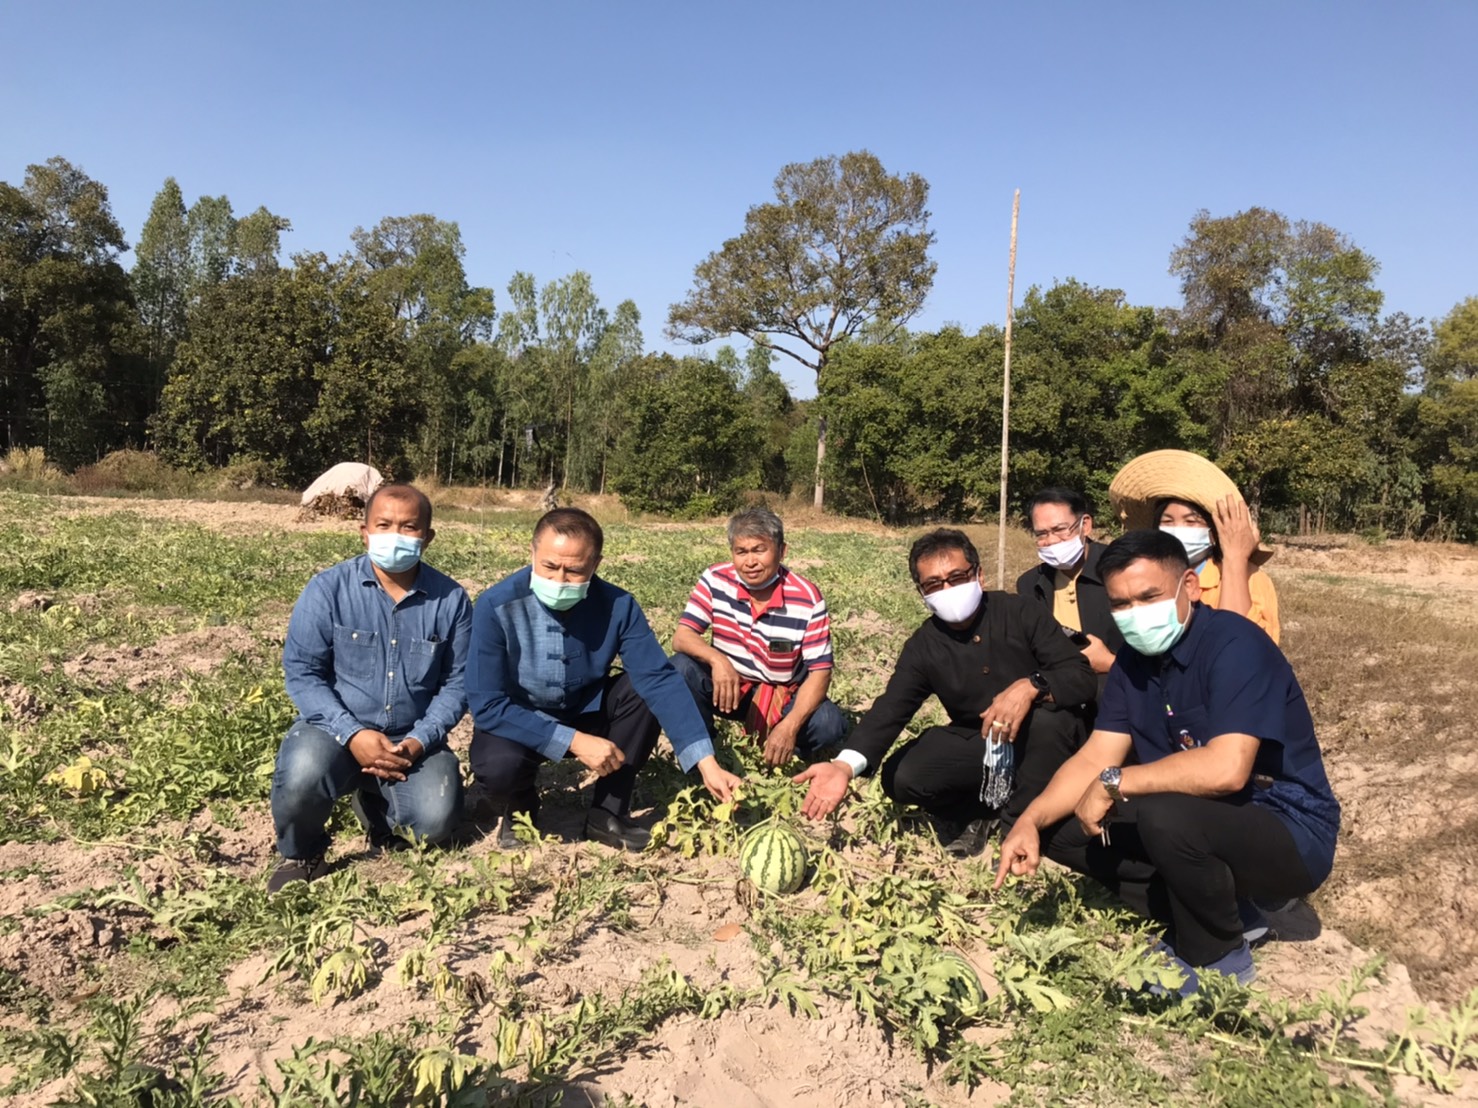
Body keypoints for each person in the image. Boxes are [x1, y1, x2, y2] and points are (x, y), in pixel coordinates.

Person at [994, 530, 1340, 995]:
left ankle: (1217, 956)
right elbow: (1096, 754)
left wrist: (1115, 781)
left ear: (1190, 587)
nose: (1135, 613)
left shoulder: (1235, 646)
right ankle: (1229, 913)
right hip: (1201, 819)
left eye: (1149, 596)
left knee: (1162, 813)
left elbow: (1227, 770)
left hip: (1287, 829)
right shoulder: (1132, 664)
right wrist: (1030, 819)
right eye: (1121, 604)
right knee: (1062, 827)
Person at [794, 528, 1097, 857]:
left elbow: (1080, 676)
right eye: (934, 584)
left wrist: (1032, 686)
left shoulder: (1020, 612)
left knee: (1048, 724)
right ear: (921, 593)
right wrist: (844, 766)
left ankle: (1020, 822)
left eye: (957, 578)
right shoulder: (925, 645)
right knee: (902, 776)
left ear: (979, 575)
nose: (948, 590)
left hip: (1046, 740)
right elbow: (891, 709)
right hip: (983, 743)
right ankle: (980, 810)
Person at [467, 508, 743, 852]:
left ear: (595, 564)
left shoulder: (618, 605)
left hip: (586, 709)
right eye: (549, 566)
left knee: (643, 693)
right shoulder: (495, 605)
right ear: (532, 552)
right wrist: (573, 741)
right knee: (498, 766)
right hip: (521, 718)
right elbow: (487, 704)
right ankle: (520, 807)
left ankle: (608, 811)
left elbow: (658, 679)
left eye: (574, 571)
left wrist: (707, 762)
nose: (559, 580)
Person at [269, 484, 471, 893]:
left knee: (435, 821)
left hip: (410, 739)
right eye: (384, 525)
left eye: (409, 527)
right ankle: (302, 852)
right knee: (303, 774)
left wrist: (418, 741)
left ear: (428, 537)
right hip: (333, 729)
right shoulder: (327, 589)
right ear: (364, 532)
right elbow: (304, 673)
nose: (396, 535)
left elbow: (458, 684)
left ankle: (376, 806)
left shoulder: (450, 600)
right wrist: (353, 734)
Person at [670, 508, 848, 768]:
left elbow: (820, 672)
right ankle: (704, 752)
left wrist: (789, 726)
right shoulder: (716, 580)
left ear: (782, 551)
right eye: (741, 552)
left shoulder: (807, 599)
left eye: (759, 550)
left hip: (783, 695)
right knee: (679, 668)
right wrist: (718, 661)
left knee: (828, 724)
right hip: (730, 688)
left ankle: (781, 748)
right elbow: (682, 636)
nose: (750, 562)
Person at [1108, 450, 1280, 642]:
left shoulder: (1252, 578)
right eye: (1168, 521)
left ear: (1214, 533)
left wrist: (1235, 559)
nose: (1177, 530)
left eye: (1191, 522)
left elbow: (1247, 646)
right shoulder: (1146, 575)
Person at [1015, 488, 1124, 685]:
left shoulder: (1122, 569)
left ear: (1085, 525)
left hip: (1120, 688)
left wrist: (1110, 663)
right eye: (1041, 534)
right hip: (1061, 691)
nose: (1051, 540)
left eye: (1060, 529)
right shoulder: (1030, 584)